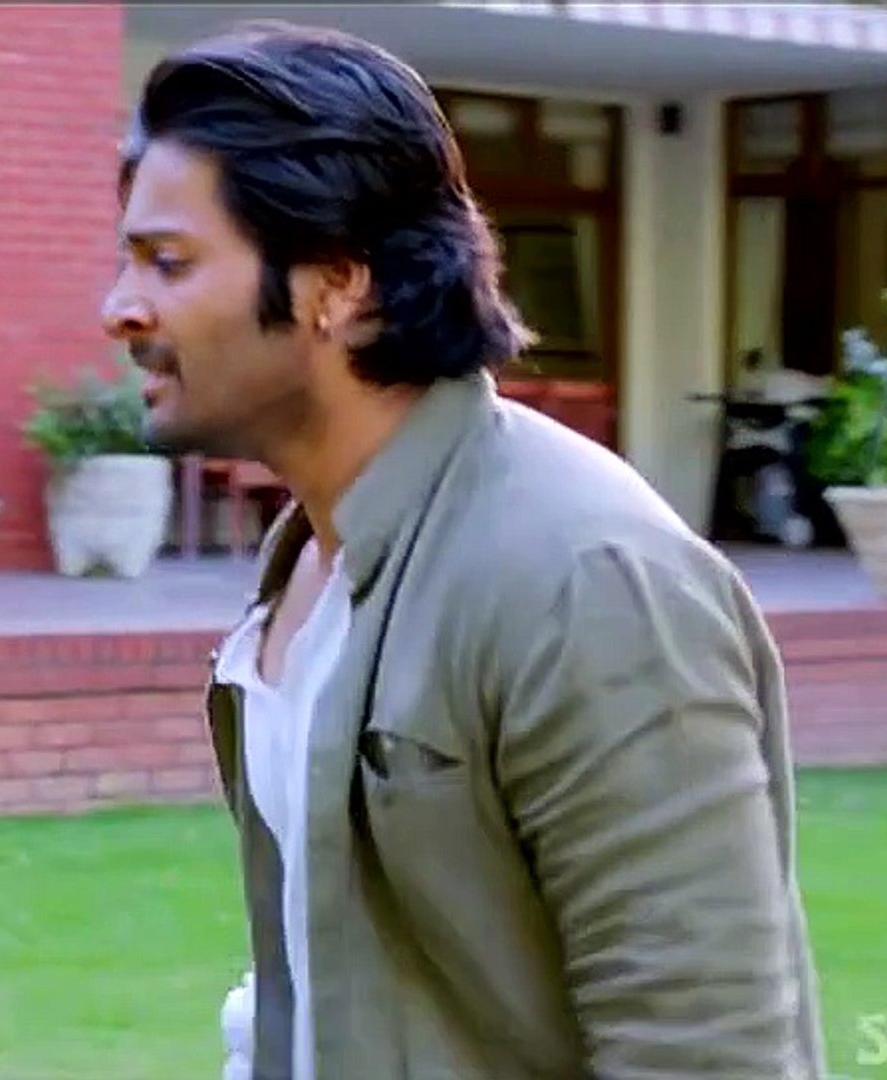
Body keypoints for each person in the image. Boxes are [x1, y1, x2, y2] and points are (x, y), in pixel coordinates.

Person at [104, 22, 827, 1080]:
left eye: (168, 262)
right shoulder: (307, 564)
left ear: (336, 285)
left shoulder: (584, 580)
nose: (119, 309)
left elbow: (708, 1051)